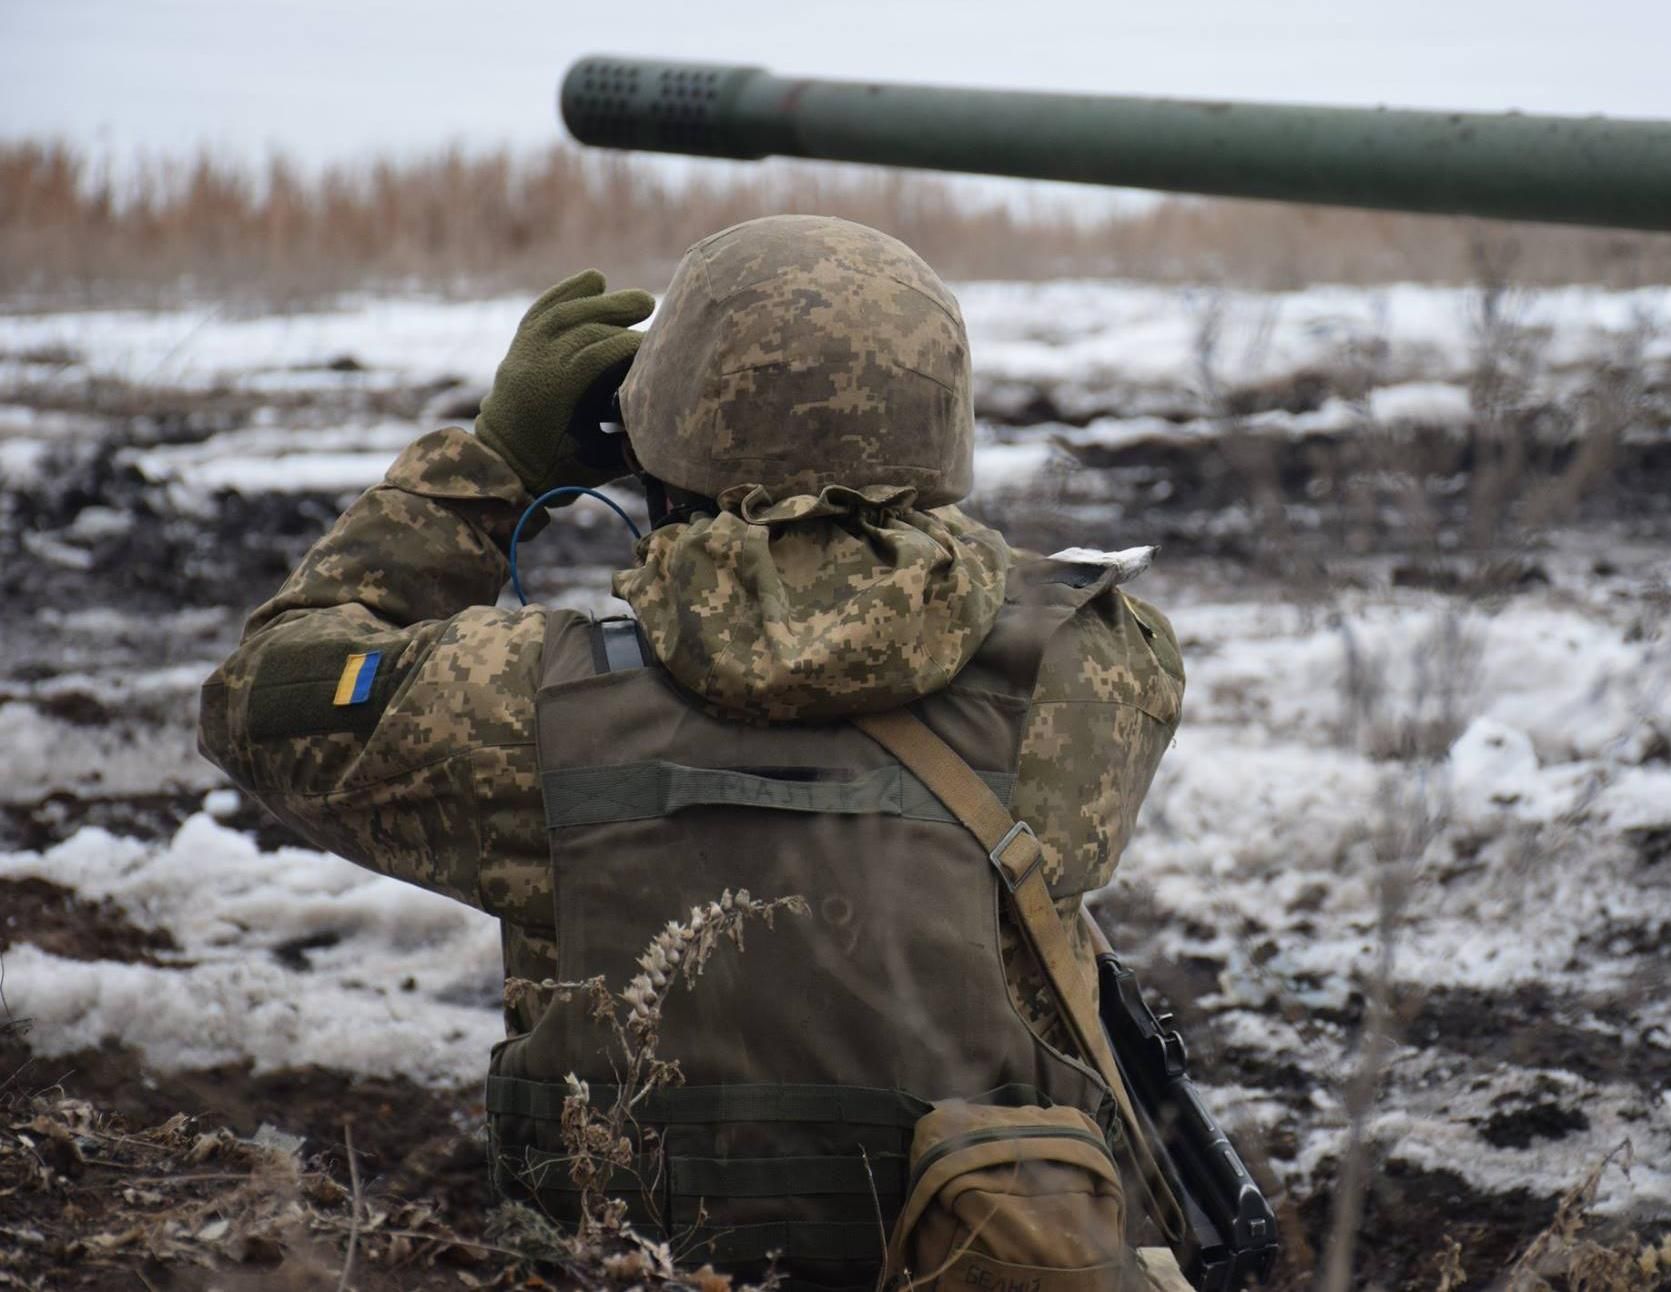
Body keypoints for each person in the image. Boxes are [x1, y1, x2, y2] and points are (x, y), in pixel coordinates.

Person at [198, 215, 1189, 1289]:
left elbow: (261, 698)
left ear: (661, 438)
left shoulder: (527, 702)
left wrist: (488, 459)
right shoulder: (1095, 669)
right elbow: (955, 570)